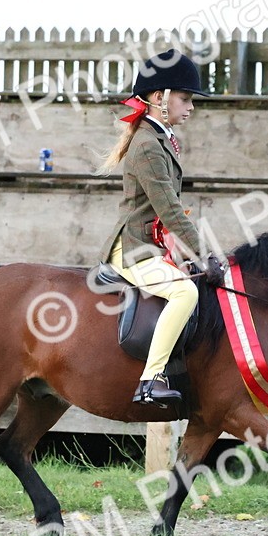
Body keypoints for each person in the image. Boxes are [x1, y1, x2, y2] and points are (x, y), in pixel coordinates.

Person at [98, 49, 225, 407]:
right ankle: (151, 380)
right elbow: (169, 209)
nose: (191, 107)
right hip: (134, 248)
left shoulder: (157, 139)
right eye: (185, 98)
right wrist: (203, 254)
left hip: (151, 244)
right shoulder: (148, 146)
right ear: (159, 98)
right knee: (186, 293)